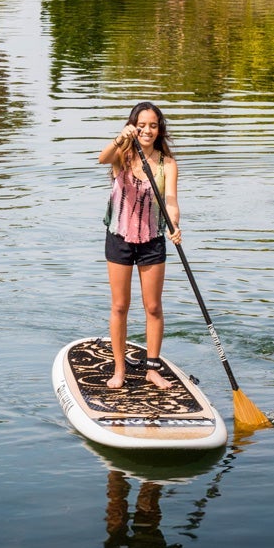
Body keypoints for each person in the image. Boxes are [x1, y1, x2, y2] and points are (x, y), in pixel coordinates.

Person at [97, 102, 181, 391]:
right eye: (142, 125)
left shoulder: (167, 164)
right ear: (134, 126)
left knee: (153, 306)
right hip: (119, 237)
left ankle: (152, 370)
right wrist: (123, 137)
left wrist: (175, 225)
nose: (148, 130)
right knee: (120, 306)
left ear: (160, 129)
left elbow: (170, 200)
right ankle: (119, 370)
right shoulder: (123, 153)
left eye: (153, 125)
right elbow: (102, 158)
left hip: (152, 240)